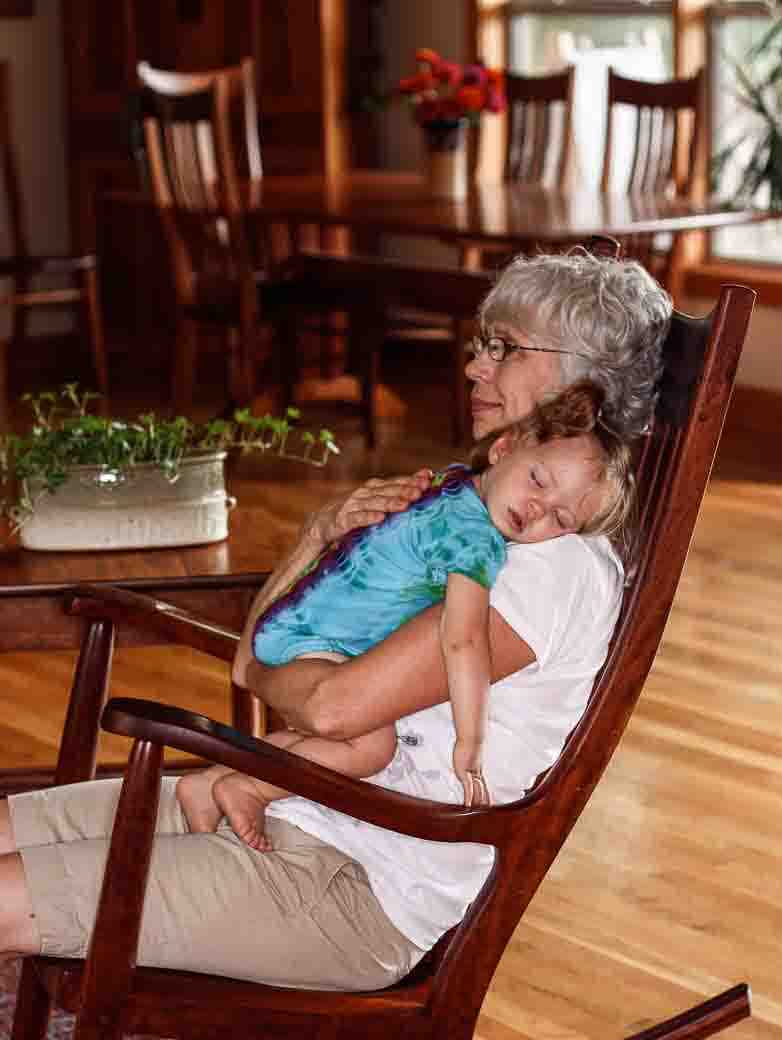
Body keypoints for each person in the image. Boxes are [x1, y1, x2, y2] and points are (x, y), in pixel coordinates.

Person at [0, 249, 672, 992]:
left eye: (504, 348)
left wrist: (262, 669)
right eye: (482, 345)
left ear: (579, 378)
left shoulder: (556, 562)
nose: (475, 366)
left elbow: (327, 704)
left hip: (351, 885)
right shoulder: (466, 513)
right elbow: (267, 661)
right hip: (285, 805)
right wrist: (318, 536)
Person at [176, 381, 636, 848]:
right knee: (372, 746)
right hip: (321, 641)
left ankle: (217, 778)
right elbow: (463, 639)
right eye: (538, 481)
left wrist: (257, 664)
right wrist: (469, 743)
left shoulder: (448, 486)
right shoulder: (474, 540)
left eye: (560, 520)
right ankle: (246, 785)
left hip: (297, 620)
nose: (539, 509)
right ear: (503, 448)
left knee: (345, 742)